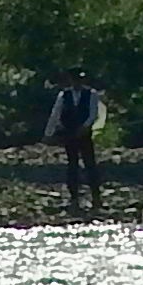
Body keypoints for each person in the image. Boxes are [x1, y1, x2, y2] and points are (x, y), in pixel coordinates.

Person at [41, 70, 106, 212]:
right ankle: (74, 198)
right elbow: (55, 114)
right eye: (75, 79)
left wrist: (85, 127)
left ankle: (96, 197)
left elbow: (93, 113)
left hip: (84, 135)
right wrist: (48, 133)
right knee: (72, 166)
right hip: (69, 134)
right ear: (71, 80)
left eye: (79, 80)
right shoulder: (64, 95)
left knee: (90, 164)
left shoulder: (91, 94)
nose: (77, 83)